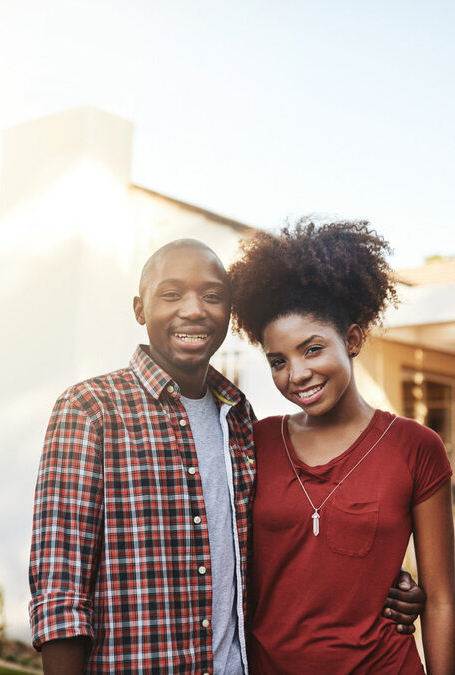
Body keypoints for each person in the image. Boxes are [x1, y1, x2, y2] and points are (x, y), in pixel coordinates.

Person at [29, 238, 425, 674]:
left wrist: (382, 581)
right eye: (172, 294)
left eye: (212, 295)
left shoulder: (240, 420)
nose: (194, 309)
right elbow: (60, 596)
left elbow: (277, 548)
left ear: (229, 313)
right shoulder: (91, 409)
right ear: (140, 309)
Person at [228, 219, 455, 674]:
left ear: (352, 340)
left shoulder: (416, 447)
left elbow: (442, 602)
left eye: (312, 349)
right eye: (279, 361)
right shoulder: (256, 443)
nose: (296, 374)